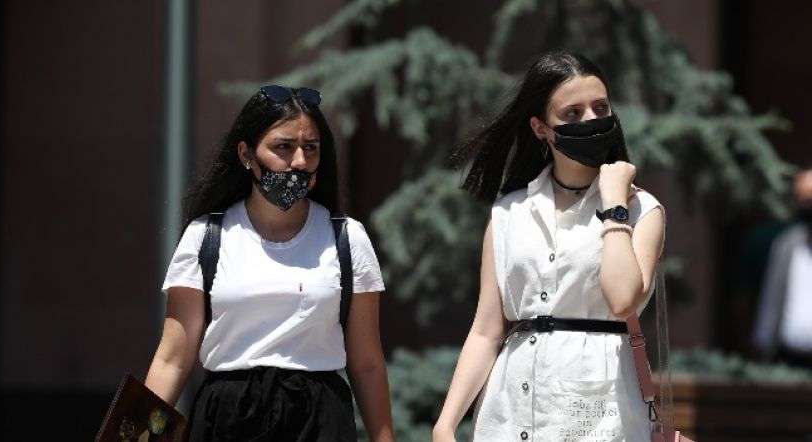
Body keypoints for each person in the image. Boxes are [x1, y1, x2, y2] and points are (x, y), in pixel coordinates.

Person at [432, 51, 666, 441]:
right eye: (572, 113)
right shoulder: (509, 211)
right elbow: (486, 330)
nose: (590, 120)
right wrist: (446, 422)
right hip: (509, 413)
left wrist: (613, 204)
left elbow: (623, 300)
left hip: (598, 414)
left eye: (600, 107)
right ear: (541, 128)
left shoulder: (642, 209)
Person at [143, 85, 394, 441]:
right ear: (246, 154)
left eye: (311, 148)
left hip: (319, 421)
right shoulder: (206, 236)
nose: (299, 162)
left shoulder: (347, 237)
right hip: (227, 421)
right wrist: (134, 435)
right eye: (283, 147)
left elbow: (367, 363)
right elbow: (172, 359)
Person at [753, 169, 812, 368]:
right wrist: (764, 342)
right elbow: (771, 296)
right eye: (804, 200)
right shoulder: (787, 244)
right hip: (788, 357)